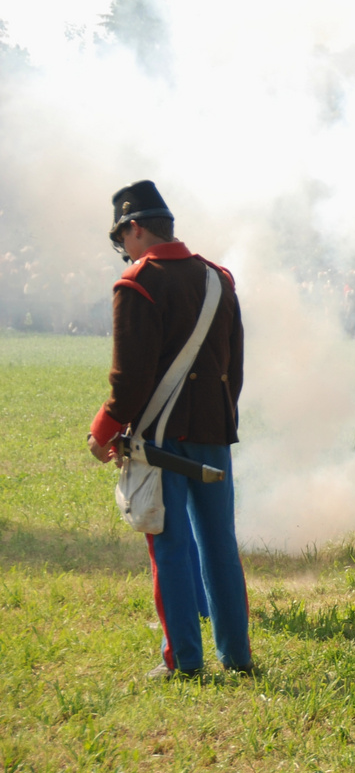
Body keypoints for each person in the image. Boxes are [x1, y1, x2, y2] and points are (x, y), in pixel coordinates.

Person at [87, 180, 253, 679]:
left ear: (135, 228)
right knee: (220, 544)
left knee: (170, 546)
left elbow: (129, 379)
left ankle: (184, 660)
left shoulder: (137, 284)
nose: (124, 251)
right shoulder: (218, 279)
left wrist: (104, 431)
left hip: (160, 437)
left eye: (124, 240)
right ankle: (238, 656)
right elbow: (234, 367)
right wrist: (216, 417)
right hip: (213, 431)